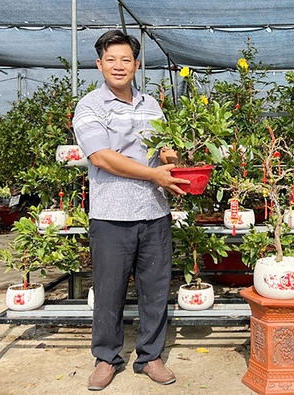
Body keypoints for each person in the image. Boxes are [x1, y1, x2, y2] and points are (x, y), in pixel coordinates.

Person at [73, 30, 189, 391]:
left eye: (126, 59)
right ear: (99, 64)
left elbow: (163, 147)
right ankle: (106, 358)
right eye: (111, 59)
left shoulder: (152, 104)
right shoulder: (89, 106)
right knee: (108, 292)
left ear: (137, 65)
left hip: (154, 212)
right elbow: (101, 157)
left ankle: (150, 356)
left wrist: (173, 159)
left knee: (155, 290)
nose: (119, 66)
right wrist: (154, 173)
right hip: (111, 215)